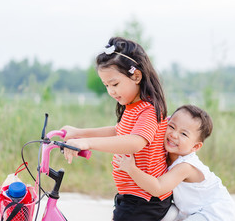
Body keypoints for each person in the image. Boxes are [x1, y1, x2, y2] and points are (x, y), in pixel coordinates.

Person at [61, 37, 172, 221]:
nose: (111, 91)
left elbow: (135, 142)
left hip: (144, 200)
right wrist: (79, 132)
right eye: (106, 86)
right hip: (132, 197)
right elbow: (117, 132)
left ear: (136, 76)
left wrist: (87, 143)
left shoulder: (148, 109)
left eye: (115, 84)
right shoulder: (132, 107)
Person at [114, 105, 235, 221]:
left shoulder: (186, 166)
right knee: (168, 213)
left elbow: (158, 188)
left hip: (214, 214)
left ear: (195, 146)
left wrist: (131, 168)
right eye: (172, 126)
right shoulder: (165, 152)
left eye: (183, 134)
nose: (173, 135)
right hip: (189, 211)